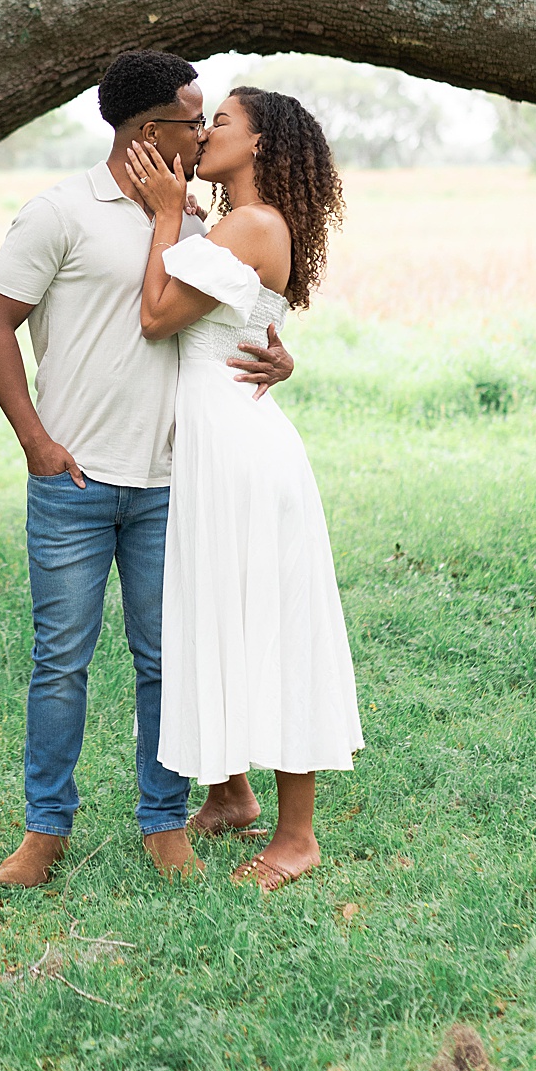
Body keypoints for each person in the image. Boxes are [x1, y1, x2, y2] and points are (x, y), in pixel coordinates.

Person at [0, 52, 295, 886]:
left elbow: (239, 316)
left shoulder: (194, 223)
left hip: (170, 485)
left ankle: (163, 824)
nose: (203, 129)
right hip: (73, 480)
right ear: (152, 130)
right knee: (61, 660)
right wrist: (36, 444)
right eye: (195, 119)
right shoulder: (59, 213)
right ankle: (45, 831)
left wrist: (278, 355)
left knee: (165, 660)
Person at [128, 85, 363, 891]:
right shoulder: (233, 223)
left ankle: (298, 838)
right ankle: (230, 794)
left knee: (273, 623)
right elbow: (243, 323)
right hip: (218, 442)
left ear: (259, 144)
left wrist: (166, 214)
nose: (204, 133)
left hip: (241, 451)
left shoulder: (254, 223)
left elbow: (158, 315)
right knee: (215, 611)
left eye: (220, 122)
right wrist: (186, 216)